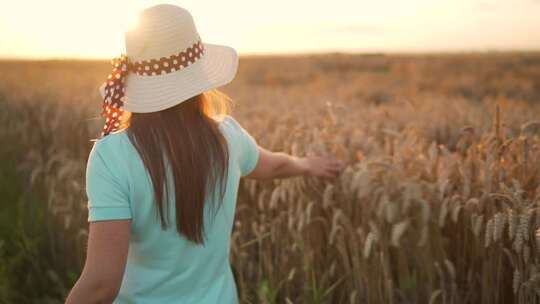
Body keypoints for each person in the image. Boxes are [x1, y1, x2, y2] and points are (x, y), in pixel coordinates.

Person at [65, 4, 343, 304]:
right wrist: (307, 165)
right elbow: (272, 167)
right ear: (198, 74)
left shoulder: (111, 156)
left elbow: (101, 286)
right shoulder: (228, 136)